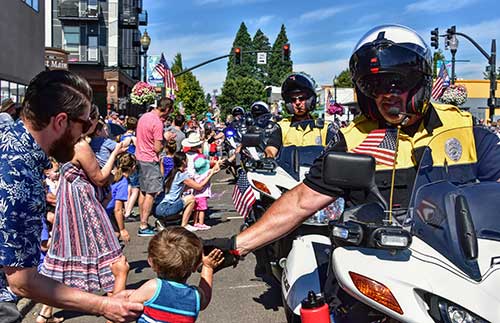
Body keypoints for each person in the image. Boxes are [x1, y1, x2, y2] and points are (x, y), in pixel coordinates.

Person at [208, 24, 500, 279]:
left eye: (399, 81)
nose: (388, 94)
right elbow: (301, 201)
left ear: (420, 80)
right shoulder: (354, 139)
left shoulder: (465, 129)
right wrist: (237, 244)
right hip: (381, 270)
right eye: (376, 85)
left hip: (463, 270)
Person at [0, 70, 142, 323]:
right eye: (86, 124)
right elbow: (22, 281)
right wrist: (104, 305)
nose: (87, 132)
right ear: (60, 121)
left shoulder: (9, 140)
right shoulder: (19, 174)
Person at [41, 104, 131, 321]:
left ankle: (45, 313)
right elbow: (99, 177)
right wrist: (116, 153)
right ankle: (115, 307)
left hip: (68, 203)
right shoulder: (80, 145)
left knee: (63, 255)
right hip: (84, 205)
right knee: (115, 258)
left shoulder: (62, 142)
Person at [129, 227, 224, 322]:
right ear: (195, 266)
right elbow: (205, 300)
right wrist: (208, 267)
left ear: (151, 262)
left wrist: (121, 275)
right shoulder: (195, 296)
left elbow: (124, 308)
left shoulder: (153, 287)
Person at [264, 73, 333, 158]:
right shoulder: (281, 127)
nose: (297, 103)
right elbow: (271, 147)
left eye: (301, 98)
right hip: (287, 170)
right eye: (293, 100)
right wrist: (269, 156)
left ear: (310, 100)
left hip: (317, 170)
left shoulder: (324, 128)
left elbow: (335, 154)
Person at [136, 97, 173, 237]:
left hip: (140, 157)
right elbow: (158, 148)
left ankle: (142, 221)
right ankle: (143, 225)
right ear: (167, 109)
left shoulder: (144, 117)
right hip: (150, 160)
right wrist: (166, 138)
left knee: (143, 192)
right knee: (151, 194)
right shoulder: (157, 123)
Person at [155, 152, 220, 232]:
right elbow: (199, 187)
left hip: (157, 207)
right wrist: (211, 174)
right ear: (183, 161)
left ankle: (163, 221)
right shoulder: (182, 176)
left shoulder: (171, 173)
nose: (188, 160)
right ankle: (184, 225)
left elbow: (186, 187)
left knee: (183, 202)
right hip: (166, 207)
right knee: (191, 198)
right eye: (187, 159)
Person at [106, 153, 137, 243]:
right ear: (133, 167)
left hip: (104, 209)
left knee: (116, 233)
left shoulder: (113, 177)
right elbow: (118, 209)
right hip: (105, 212)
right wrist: (122, 229)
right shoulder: (123, 183)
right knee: (116, 234)